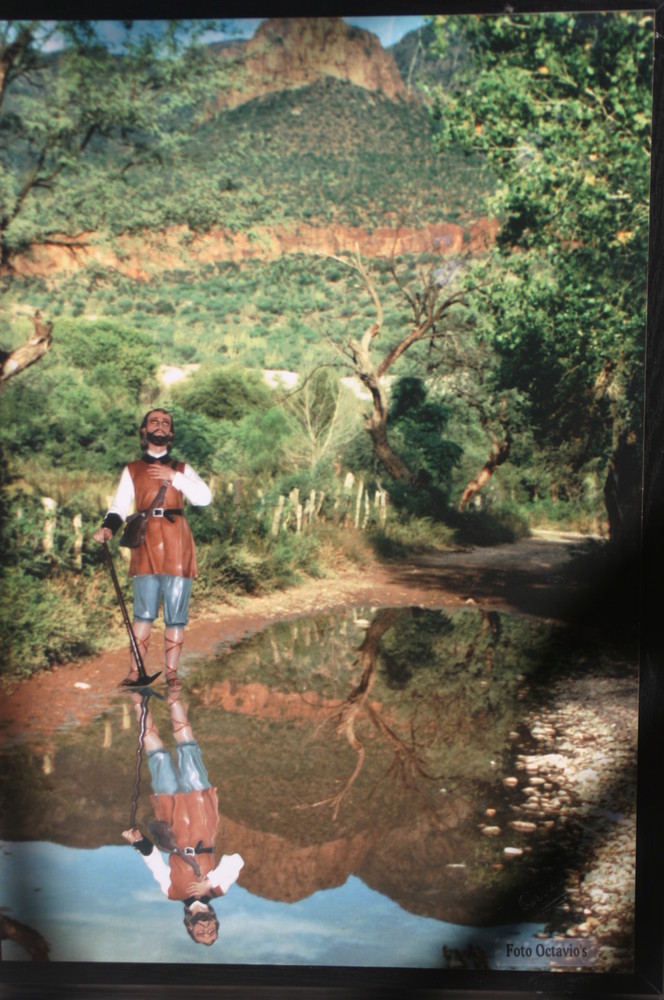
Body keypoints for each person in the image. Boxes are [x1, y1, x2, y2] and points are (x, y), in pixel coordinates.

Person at [93, 408, 211, 685]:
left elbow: (204, 498)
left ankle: (171, 673)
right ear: (144, 431)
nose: (159, 426)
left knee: (176, 615)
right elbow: (120, 506)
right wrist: (108, 526)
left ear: (170, 434)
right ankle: (136, 672)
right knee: (143, 612)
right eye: (154, 422)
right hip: (145, 543)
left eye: (165, 423)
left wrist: (174, 478)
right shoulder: (132, 469)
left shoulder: (182, 469)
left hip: (178, 544)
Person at [123, 684, 244, 945]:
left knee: (157, 756)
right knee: (188, 749)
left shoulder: (171, 892)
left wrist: (138, 841)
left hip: (172, 822)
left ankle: (138, 700)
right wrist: (209, 884)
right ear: (215, 921)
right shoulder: (220, 889)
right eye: (211, 931)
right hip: (203, 818)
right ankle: (173, 698)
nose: (205, 929)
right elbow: (235, 860)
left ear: (189, 928)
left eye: (200, 934)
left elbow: (154, 862)